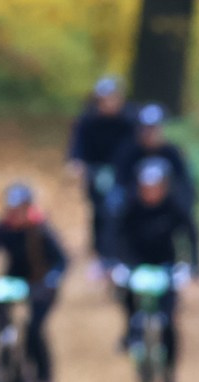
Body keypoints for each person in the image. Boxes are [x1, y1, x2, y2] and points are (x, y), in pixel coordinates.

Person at [106, 159, 199, 382]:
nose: (151, 192)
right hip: (136, 265)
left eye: (156, 187)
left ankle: (169, 379)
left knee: (168, 323)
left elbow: (192, 235)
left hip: (166, 267)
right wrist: (115, 263)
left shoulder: (175, 207)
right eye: (147, 187)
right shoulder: (129, 207)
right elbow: (115, 236)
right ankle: (131, 331)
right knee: (125, 294)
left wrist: (194, 265)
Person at [0, 183, 68, 382]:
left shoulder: (41, 230)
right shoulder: (3, 229)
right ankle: (5, 371)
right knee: (0, 322)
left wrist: (51, 280)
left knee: (34, 330)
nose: (14, 214)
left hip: (40, 288)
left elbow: (62, 261)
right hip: (12, 283)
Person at [68, 77, 137, 256]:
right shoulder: (88, 119)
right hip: (95, 169)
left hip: (122, 171)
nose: (107, 103)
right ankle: (98, 247)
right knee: (97, 208)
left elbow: (135, 146)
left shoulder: (129, 120)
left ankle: (120, 244)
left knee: (122, 207)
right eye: (103, 99)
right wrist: (76, 162)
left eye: (111, 98)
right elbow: (78, 145)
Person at [111, 103, 198, 213]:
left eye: (154, 128)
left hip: (167, 206)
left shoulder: (172, 153)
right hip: (134, 206)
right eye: (146, 129)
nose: (150, 133)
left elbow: (184, 181)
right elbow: (120, 182)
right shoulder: (129, 152)